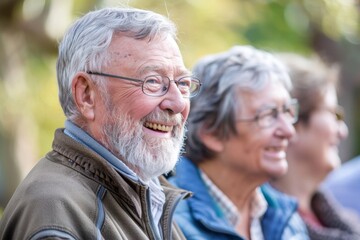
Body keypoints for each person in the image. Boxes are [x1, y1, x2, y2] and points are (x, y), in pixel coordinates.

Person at [0, 7, 201, 240]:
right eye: (153, 81)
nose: (177, 103)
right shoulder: (55, 213)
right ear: (86, 95)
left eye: (183, 83)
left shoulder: (148, 194)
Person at [168, 46, 309, 240]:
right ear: (212, 132)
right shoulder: (167, 219)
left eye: (287, 112)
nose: (288, 131)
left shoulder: (285, 218)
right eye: (268, 115)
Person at [270, 53, 360, 239]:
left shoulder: (346, 223)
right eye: (333, 114)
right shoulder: (258, 227)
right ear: (292, 121)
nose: (342, 131)